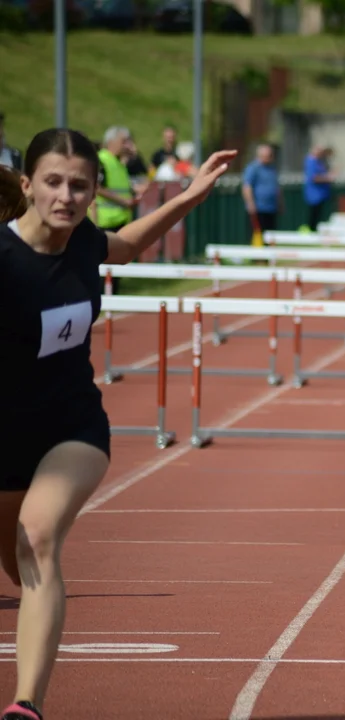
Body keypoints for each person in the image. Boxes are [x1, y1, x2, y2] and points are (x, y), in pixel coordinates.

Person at [0, 128, 235, 720]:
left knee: (39, 536)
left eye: (80, 185)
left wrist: (189, 196)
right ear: (27, 185)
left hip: (72, 427)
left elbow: (128, 243)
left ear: (94, 190)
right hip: (3, 435)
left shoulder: (82, 244)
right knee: (19, 557)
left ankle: (26, 705)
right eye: (53, 182)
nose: (67, 196)